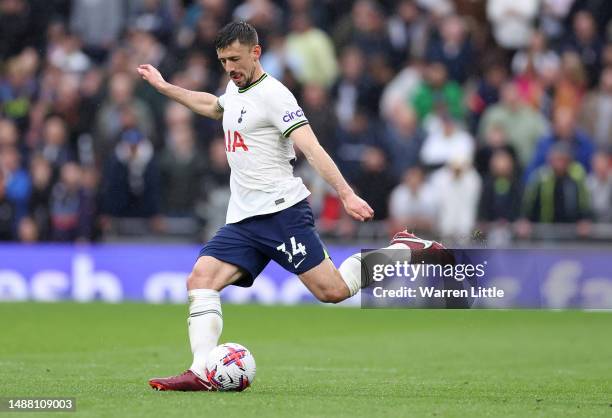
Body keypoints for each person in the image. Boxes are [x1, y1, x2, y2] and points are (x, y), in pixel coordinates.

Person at [138, 21, 428, 392]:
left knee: (333, 291)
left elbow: (311, 147)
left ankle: (404, 249)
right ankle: (200, 371)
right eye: (224, 61)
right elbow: (213, 106)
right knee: (200, 280)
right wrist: (165, 87)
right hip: (243, 219)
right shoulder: (235, 87)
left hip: (281, 214)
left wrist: (346, 194)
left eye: (236, 59)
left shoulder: (275, 96)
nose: (230, 68)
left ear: (256, 53)